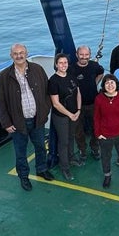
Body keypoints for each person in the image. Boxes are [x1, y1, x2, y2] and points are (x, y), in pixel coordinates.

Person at [0, 43, 53, 191]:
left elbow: (47, 92)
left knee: (41, 147)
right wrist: (6, 123)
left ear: (27, 54)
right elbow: (1, 102)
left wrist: (45, 111)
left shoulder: (37, 70)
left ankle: (41, 169)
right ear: (11, 56)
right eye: (16, 53)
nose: (19, 56)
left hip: (37, 119)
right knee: (20, 152)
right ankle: (24, 176)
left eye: (22, 53)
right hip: (17, 122)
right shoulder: (4, 76)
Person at [93, 73, 119, 189]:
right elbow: (96, 117)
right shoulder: (99, 98)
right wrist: (98, 134)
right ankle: (107, 175)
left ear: (116, 84)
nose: (110, 85)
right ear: (103, 85)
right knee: (105, 157)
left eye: (112, 82)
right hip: (105, 136)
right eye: (107, 83)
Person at [47, 53, 81, 182]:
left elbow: (78, 93)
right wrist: (70, 114)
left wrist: (78, 110)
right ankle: (65, 167)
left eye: (65, 62)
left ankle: (71, 158)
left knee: (71, 137)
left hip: (74, 114)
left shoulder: (71, 76)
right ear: (56, 64)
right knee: (64, 141)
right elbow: (55, 103)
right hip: (61, 116)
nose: (63, 65)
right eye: (60, 63)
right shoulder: (53, 81)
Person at [68, 45, 105, 161]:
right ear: (76, 55)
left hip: (93, 103)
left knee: (96, 128)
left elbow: (101, 73)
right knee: (78, 130)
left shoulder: (94, 66)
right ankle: (82, 149)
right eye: (81, 55)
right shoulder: (71, 69)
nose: (84, 57)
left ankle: (95, 147)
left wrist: (95, 83)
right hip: (77, 106)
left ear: (90, 55)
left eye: (86, 55)